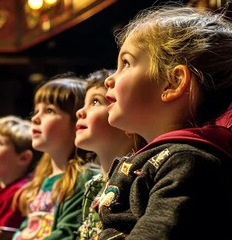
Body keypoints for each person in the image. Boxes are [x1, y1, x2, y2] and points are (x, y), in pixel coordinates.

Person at [98, 5, 232, 239]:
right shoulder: (162, 158)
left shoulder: (187, 162)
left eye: (126, 63)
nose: (110, 79)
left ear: (173, 83)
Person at [12, 74, 100, 240]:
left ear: (77, 122)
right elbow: (28, 227)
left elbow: (68, 233)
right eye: (36, 111)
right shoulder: (42, 179)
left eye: (49, 111)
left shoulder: (84, 178)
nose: (35, 118)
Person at [74, 69, 146, 239]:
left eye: (96, 102)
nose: (80, 112)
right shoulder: (94, 184)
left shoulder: (137, 180)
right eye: (85, 103)